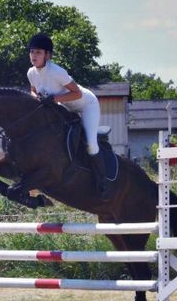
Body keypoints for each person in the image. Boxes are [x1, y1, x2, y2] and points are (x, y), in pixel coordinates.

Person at [26, 32, 112, 199]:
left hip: (86, 105)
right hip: (65, 107)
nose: (33, 56)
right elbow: (33, 90)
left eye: (38, 52)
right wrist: (36, 98)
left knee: (91, 145)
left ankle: (103, 182)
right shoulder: (31, 73)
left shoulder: (56, 71)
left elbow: (77, 93)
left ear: (47, 55)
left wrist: (54, 98)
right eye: (31, 52)